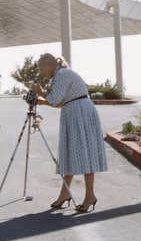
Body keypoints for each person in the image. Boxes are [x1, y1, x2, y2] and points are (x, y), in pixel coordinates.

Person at [30, 53, 107, 212]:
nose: (41, 73)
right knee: (70, 154)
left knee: (84, 154)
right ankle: (65, 194)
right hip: (75, 112)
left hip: (79, 113)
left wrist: (40, 91)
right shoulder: (60, 75)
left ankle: (90, 196)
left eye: (41, 69)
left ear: (48, 65)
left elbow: (54, 100)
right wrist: (40, 100)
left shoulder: (62, 75)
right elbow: (59, 102)